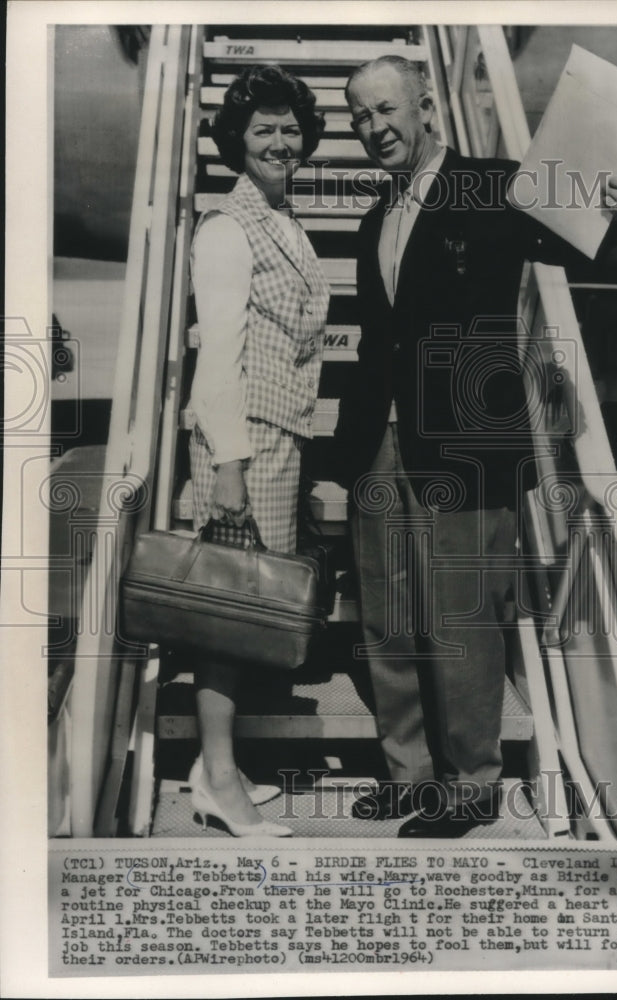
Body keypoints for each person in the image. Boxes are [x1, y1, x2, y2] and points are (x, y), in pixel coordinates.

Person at [334, 55, 617, 838]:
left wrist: (611, 206)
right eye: (360, 117)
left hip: (465, 444)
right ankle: (408, 773)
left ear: (426, 106)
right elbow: (378, 345)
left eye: (385, 110)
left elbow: (575, 244)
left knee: (463, 617)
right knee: (388, 615)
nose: (374, 129)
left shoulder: (492, 183)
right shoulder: (377, 217)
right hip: (382, 441)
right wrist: (344, 452)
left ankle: (470, 786)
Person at [187, 65, 329, 836]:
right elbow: (218, 357)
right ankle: (218, 782)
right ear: (237, 142)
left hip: (279, 439)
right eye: (263, 129)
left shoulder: (283, 219)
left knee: (244, 615)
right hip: (246, 442)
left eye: (290, 128)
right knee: (229, 620)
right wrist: (229, 469)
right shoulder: (227, 227)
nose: (281, 142)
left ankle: (218, 767)